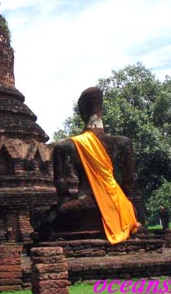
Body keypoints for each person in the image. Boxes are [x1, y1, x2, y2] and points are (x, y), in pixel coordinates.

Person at [46, 87, 142, 244]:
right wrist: (120, 197)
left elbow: (61, 185)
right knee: (131, 208)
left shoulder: (66, 145)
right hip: (116, 204)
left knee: (56, 214)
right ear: (101, 108)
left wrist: (66, 198)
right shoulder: (123, 142)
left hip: (84, 206)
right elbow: (129, 180)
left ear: (82, 112)